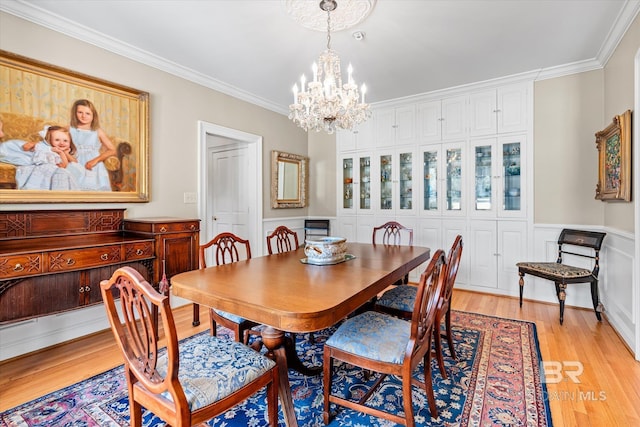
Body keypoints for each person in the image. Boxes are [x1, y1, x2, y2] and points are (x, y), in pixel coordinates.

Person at [69, 99, 116, 191]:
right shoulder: (70, 129)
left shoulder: (97, 131)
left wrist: (96, 160)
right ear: (75, 113)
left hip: (94, 165)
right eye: (80, 112)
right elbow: (53, 138)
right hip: (75, 162)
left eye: (87, 113)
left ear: (93, 115)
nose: (83, 116)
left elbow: (112, 149)